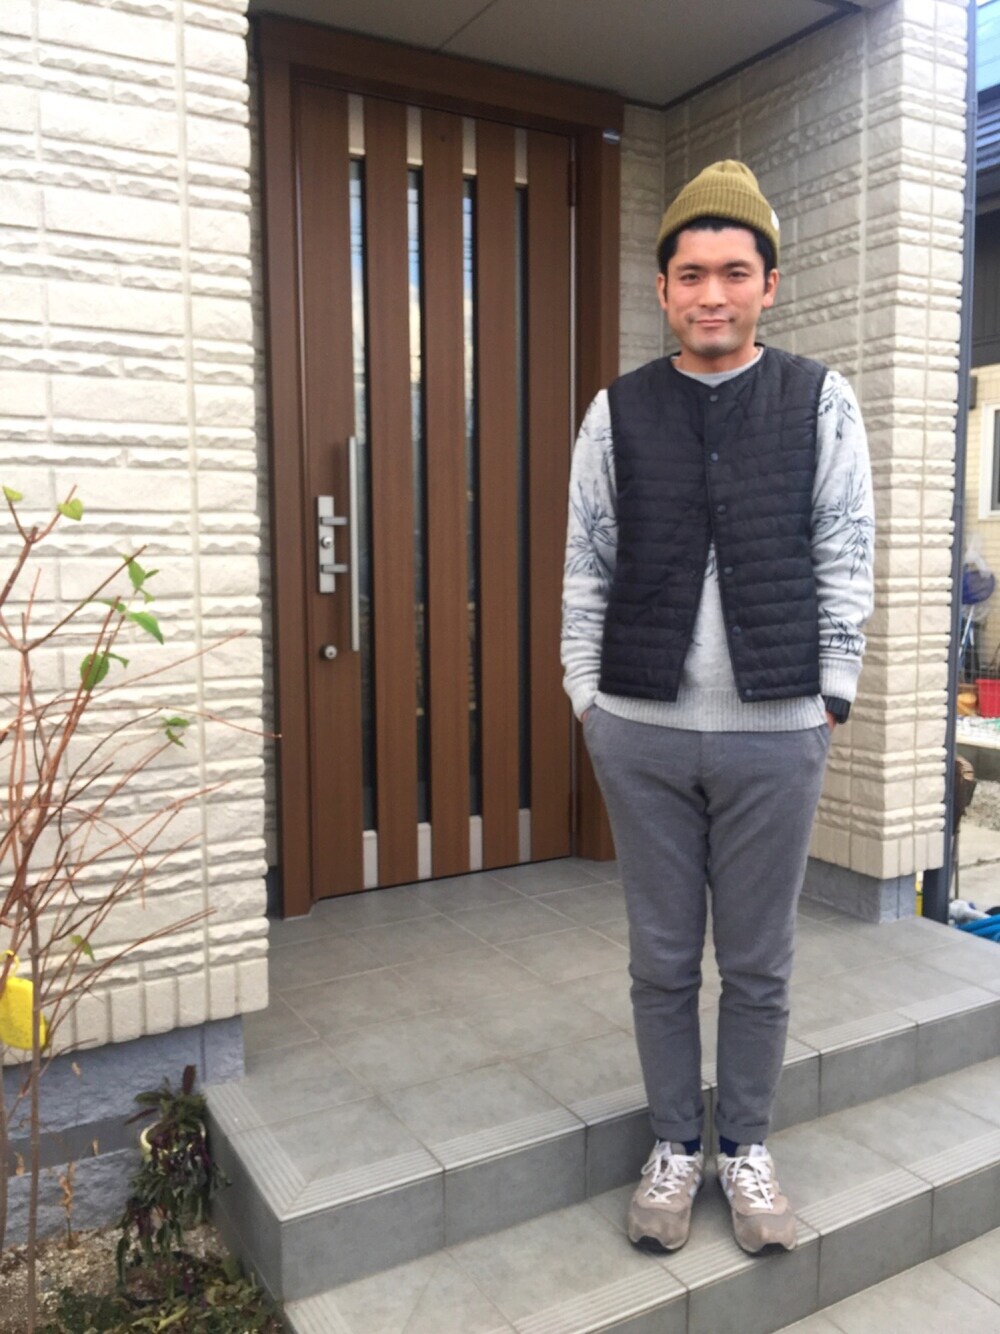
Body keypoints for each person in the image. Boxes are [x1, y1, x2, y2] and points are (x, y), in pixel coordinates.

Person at [561, 160, 874, 1256]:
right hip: (639, 731)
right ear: (662, 290)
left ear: (768, 285)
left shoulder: (818, 399)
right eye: (690, 273)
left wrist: (830, 695)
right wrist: (587, 699)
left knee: (757, 961)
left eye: (734, 272)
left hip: (775, 733)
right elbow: (587, 561)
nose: (711, 293)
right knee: (658, 958)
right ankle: (673, 1142)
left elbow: (845, 550)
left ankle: (744, 1144)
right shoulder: (617, 411)